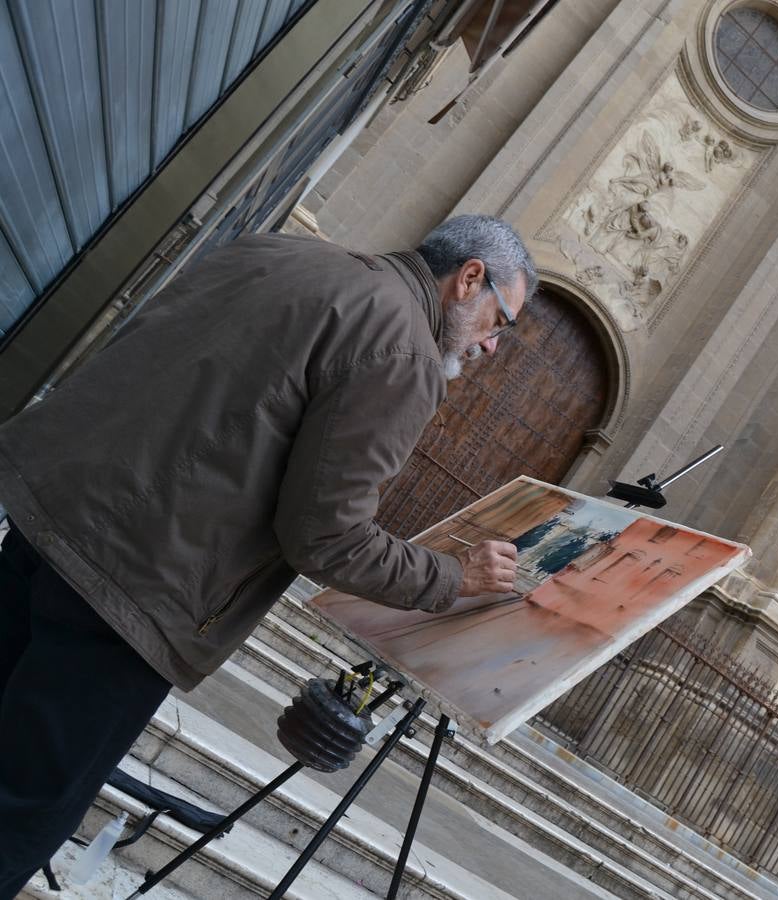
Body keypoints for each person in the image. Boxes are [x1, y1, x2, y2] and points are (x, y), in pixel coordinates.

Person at [0, 214, 531, 896]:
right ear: (468, 279)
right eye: (502, 321)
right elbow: (325, 537)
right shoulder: (403, 353)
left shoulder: (282, 252)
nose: (493, 343)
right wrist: (454, 578)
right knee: (21, 805)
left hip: (52, 522)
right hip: (134, 595)